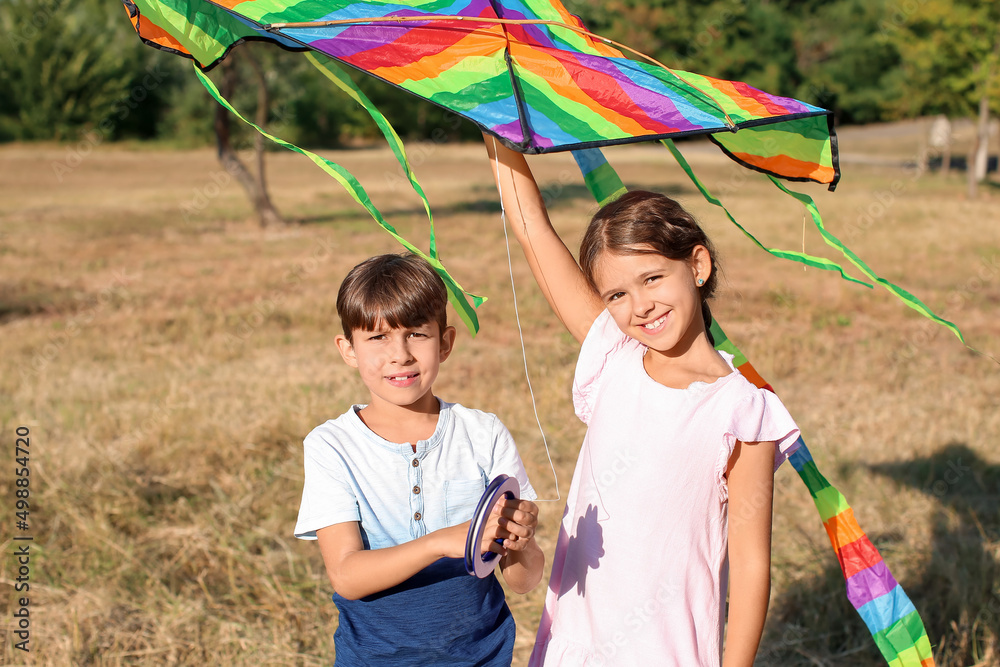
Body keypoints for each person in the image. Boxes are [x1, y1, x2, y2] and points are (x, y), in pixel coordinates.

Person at [484, 138, 801, 667]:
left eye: (652, 278)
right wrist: (490, 112)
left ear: (696, 264)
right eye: (616, 295)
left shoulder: (744, 411)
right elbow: (532, 226)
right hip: (575, 643)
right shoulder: (615, 355)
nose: (640, 306)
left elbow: (749, 567)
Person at [293, 253, 545, 666]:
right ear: (348, 349)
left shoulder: (482, 434)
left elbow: (523, 580)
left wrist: (522, 542)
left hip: (483, 656)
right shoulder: (331, 446)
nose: (400, 355)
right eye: (377, 338)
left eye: (416, 334)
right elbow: (347, 576)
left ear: (445, 342)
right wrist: (443, 542)